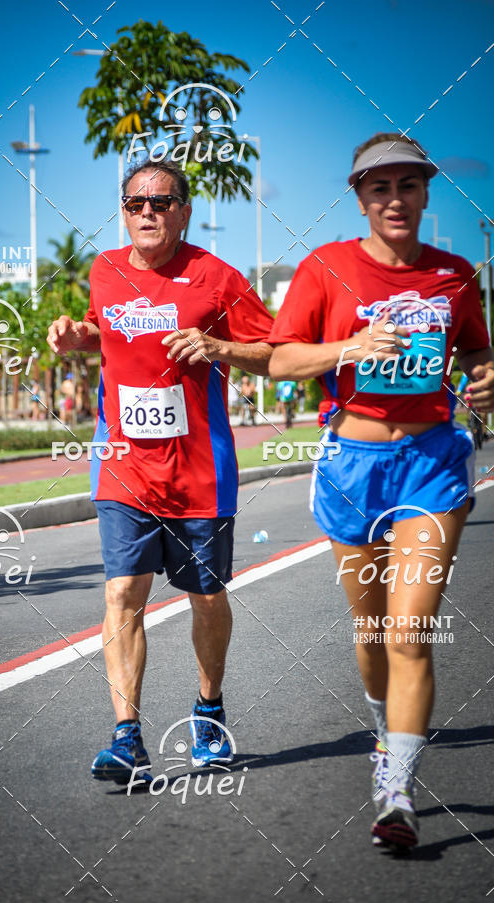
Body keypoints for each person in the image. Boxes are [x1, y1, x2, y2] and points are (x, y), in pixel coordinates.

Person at [269, 133, 494, 848]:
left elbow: (477, 349)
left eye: (407, 185)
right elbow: (280, 360)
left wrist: (485, 378)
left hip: (430, 464)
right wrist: (350, 348)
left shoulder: (455, 275)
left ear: (426, 193)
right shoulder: (327, 268)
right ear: (360, 197)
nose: (394, 199)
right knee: (371, 633)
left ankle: (397, 790)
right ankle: (382, 724)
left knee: (409, 632)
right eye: (379, 187)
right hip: (352, 467)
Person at [47, 159, 274, 785]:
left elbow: (275, 353)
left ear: (184, 211)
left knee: (207, 596)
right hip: (123, 465)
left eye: (161, 202)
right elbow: (108, 332)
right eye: (134, 203)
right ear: (123, 211)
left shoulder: (218, 277)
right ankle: (127, 738)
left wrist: (220, 347)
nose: (146, 212)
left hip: (199, 469)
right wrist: (78, 336)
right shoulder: (105, 270)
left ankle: (209, 709)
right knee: (122, 592)